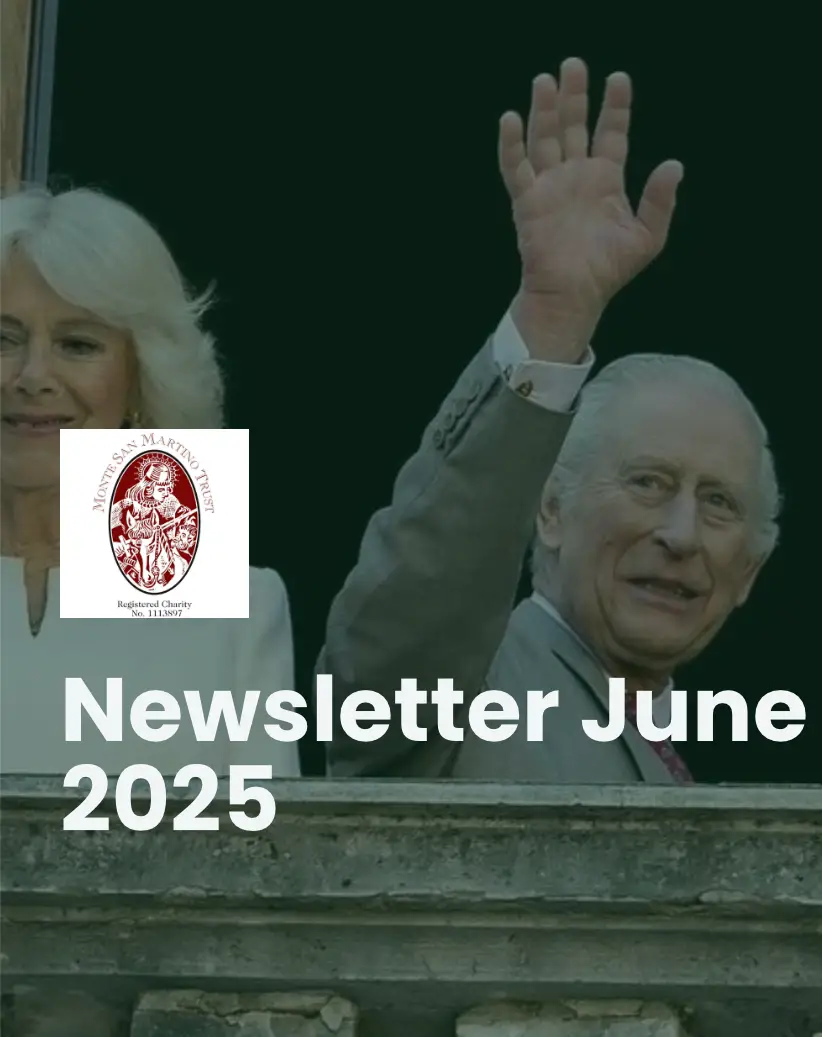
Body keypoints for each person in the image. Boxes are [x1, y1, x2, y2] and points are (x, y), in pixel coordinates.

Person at [322, 58, 780, 783]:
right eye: (650, 482)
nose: (681, 534)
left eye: (719, 503)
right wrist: (553, 321)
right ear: (550, 507)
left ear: (749, 570)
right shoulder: (466, 686)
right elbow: (427, 583)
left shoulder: (667, 752)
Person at [0, 185, 300, 777]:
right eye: (2, 339)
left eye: (77, 344)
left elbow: (264, 860)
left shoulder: (236, 609)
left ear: (141, 379)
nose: (33, 376)